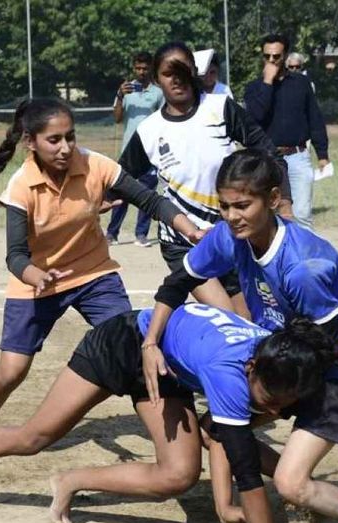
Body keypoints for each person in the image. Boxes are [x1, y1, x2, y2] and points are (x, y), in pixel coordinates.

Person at [0, 304, 338, 523]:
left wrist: (227, 508)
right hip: (123, 344)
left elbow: (225, 441)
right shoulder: (230, 373)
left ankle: (70, 480)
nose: (271, 412)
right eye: (267, 400)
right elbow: (244, 464)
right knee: (35, 435)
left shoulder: (278, 359)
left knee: (177, 474)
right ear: (252, 370)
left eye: (282, 405)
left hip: (168, 368)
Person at [141, 149, 338, 523]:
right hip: (286, 356)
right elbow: (178, 282)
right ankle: (260, 498)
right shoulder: (228, 236)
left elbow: (326, 345)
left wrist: (273, 395)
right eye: (225, 206)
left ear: (274, 198)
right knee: (217, 426)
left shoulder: (302, 268)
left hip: (332, 368)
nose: (232, 216)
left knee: (290, 483)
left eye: (243, 205)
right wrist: (150, 343)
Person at [0, 97, 215, 436]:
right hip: (38, 284)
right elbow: (16, 256)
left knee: (133, 342)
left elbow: (151, 200)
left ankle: (179, 430)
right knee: (12, 370)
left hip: (94, 275)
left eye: (70, 136)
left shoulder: (95, 164)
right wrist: (37, 275)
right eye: (54, 140)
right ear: (31, 142)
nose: (65, 147)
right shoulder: (21, 187)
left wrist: (191, 230)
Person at [120, 41, 291, 319]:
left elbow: (269, 153)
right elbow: (121, 178)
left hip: (230, 236)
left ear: (195, 71)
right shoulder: (149, 130)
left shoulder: (220, 107)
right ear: (156, 79)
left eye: (183, 70)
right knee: (230, 320)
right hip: (183, 242)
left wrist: (285, 203)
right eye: (167, 73)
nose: (176, 79)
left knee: (253, 322)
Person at [244, 34, 330, 228]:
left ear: (286, 55)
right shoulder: (254, 88)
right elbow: (255, 117)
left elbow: (314, 118)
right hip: (267, 159)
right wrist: (267, 82)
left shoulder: (301, 83)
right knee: (267, 215)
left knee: (301, 215)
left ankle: (305, 258)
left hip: (297, 156)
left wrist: (322, 154)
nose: (272, 60)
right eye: (267, 56)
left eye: (276, 56)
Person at [105, 51, 165, 247]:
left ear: (151, 69)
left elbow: (164, 119)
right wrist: (120, 96)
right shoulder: (126, 90)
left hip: (149, 152)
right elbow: (117, 118)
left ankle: (141, 235)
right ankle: (112, 234)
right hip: (128, 152)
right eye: (138, 68)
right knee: (121, 192)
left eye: (145, 68)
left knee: (146, 192)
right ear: (134, 68)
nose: (141, 72)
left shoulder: (158, 93)